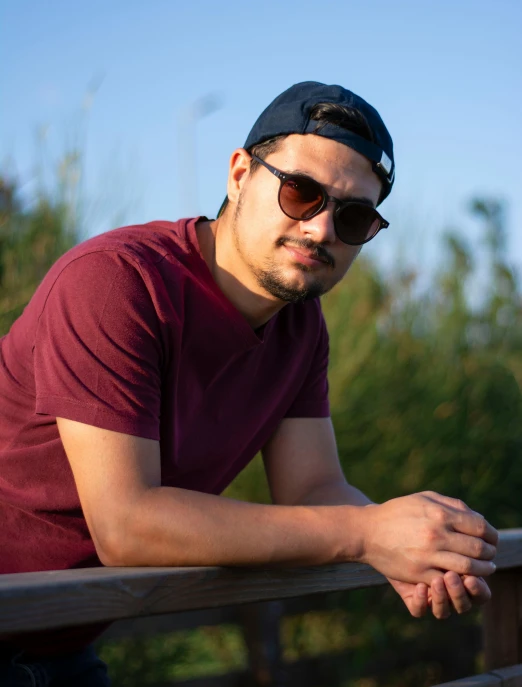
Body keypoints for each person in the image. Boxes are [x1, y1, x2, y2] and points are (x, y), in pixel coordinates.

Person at [0, 81, 497, 685]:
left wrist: (411, 546)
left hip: (60, 643)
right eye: (301, 192)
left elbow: (314, 487)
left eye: (354, 216)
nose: (321, 230)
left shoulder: (301, 326)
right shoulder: (115, 283)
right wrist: (366, 533)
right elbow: (127, 523)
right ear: (240, 174)